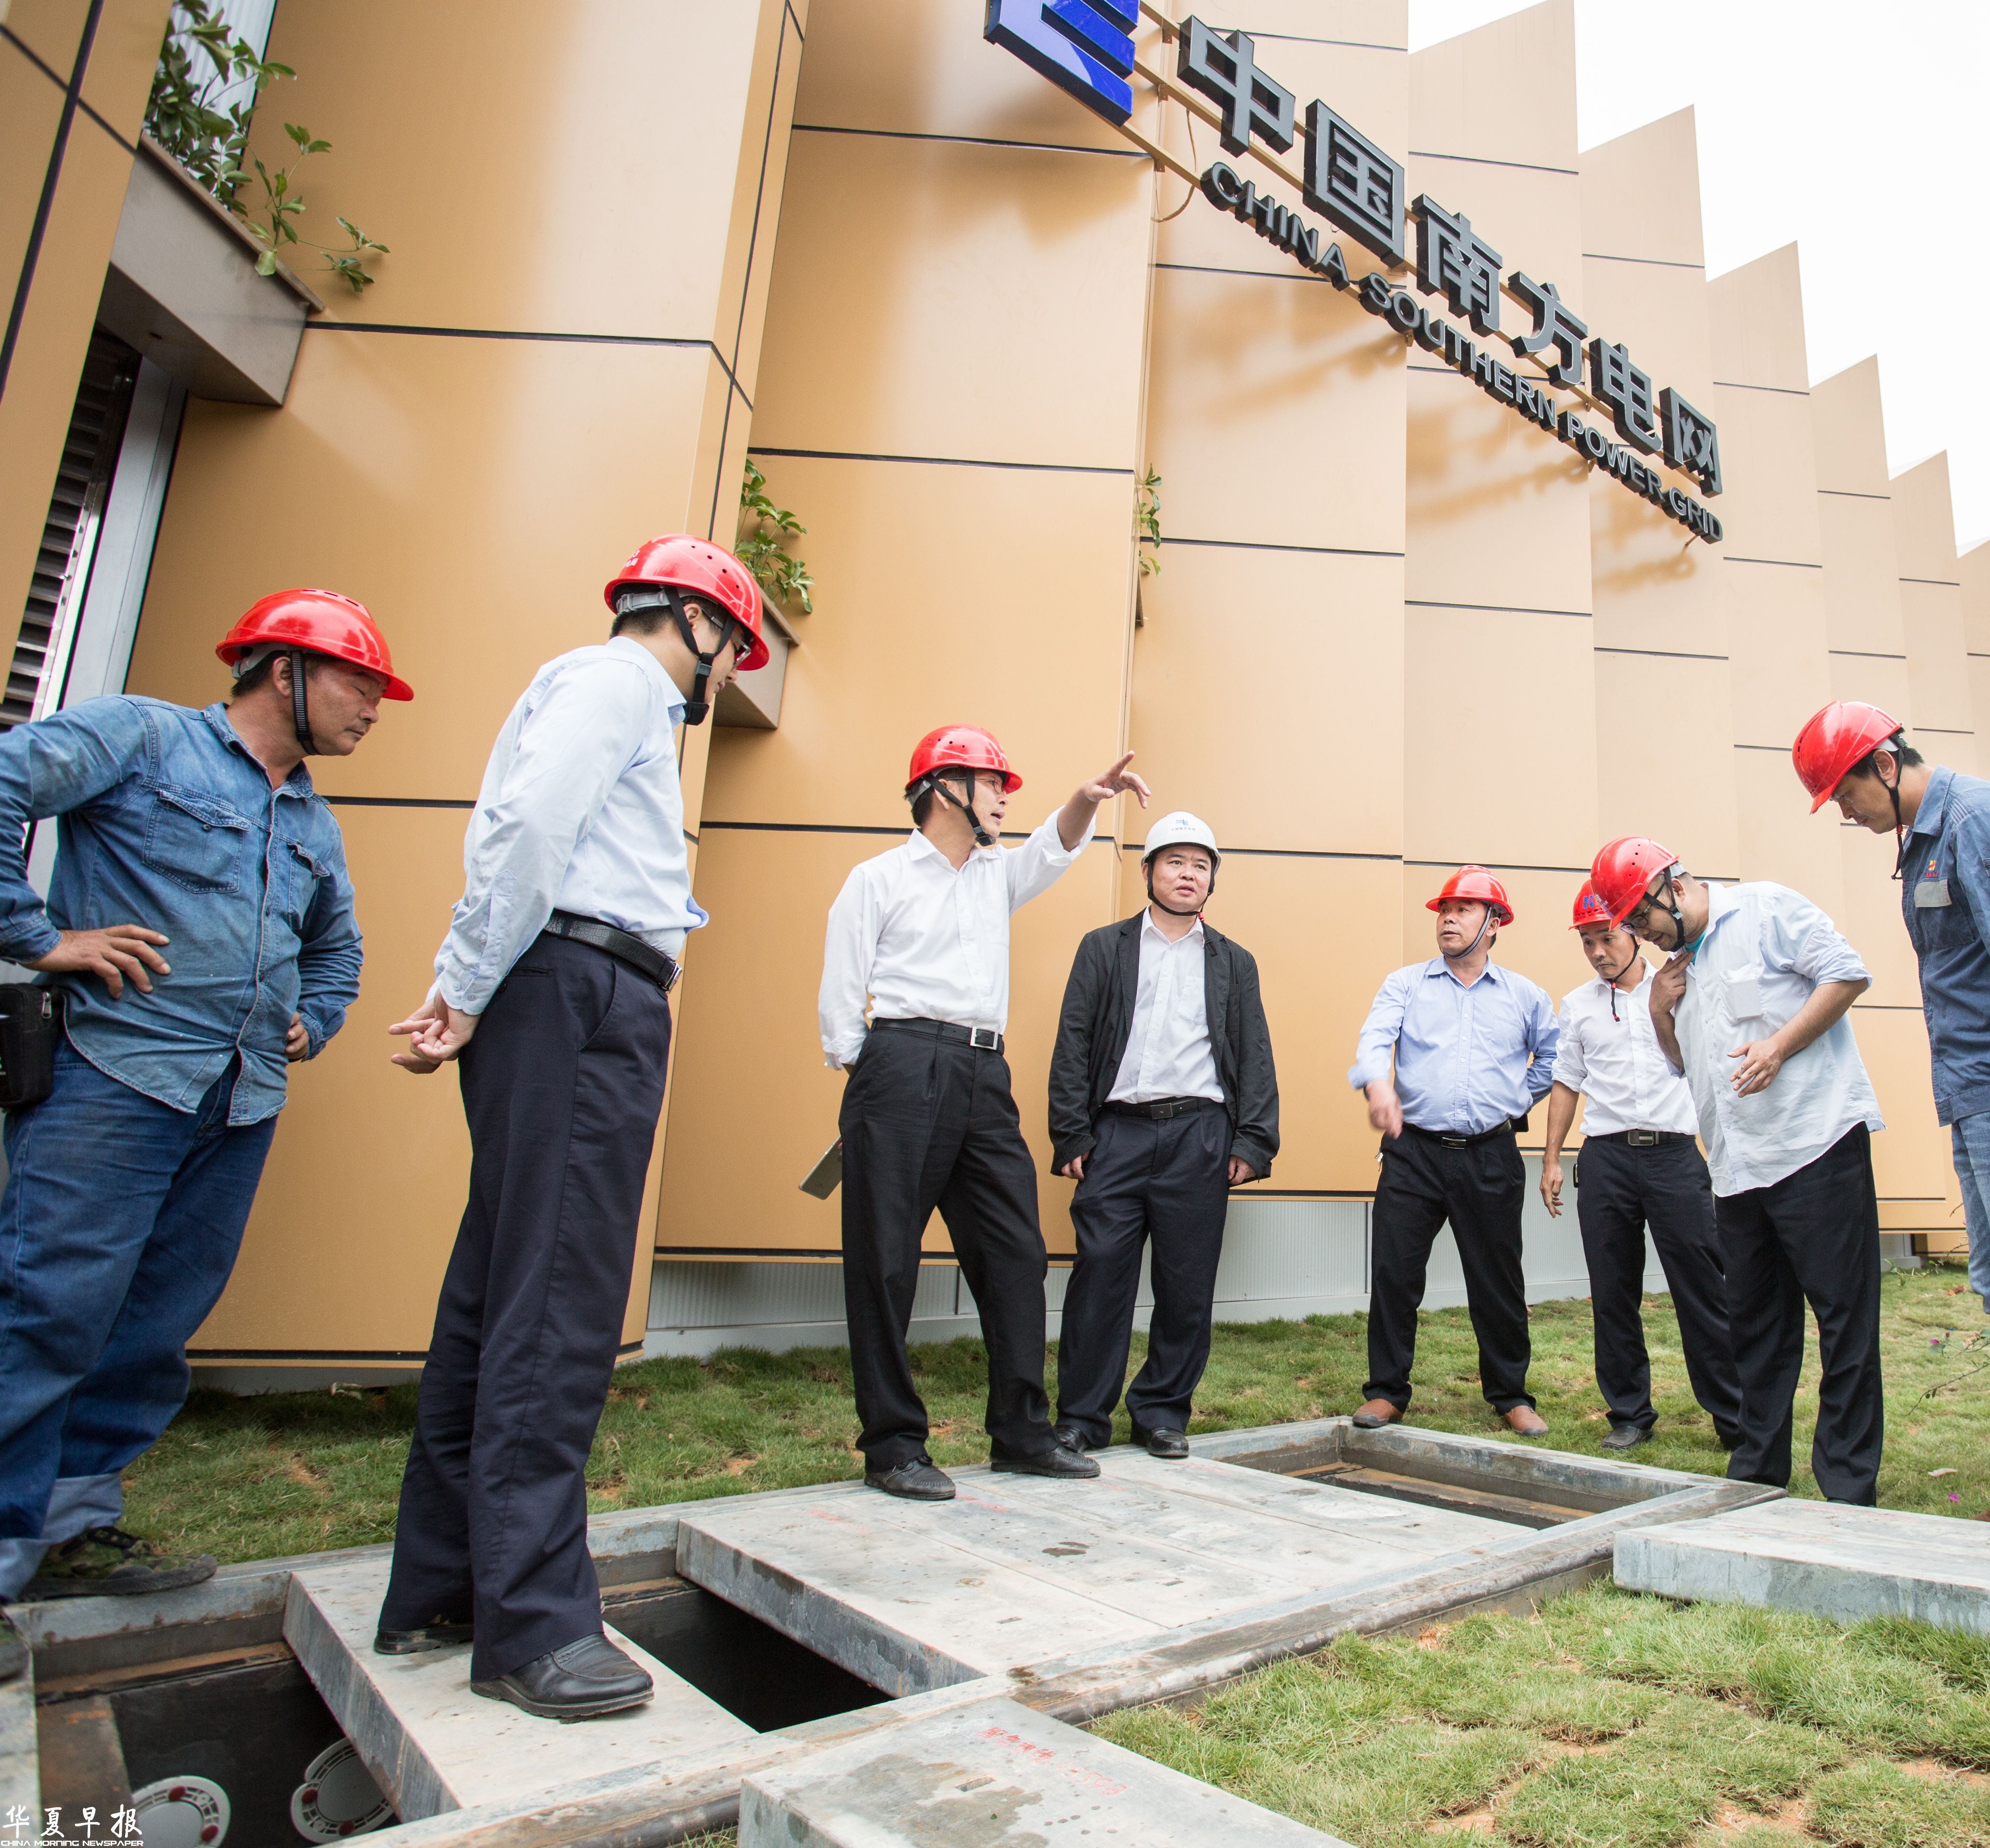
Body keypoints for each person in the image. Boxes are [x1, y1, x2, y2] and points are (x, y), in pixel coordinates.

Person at [377, 534, 764, 1721]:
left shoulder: (601, 689)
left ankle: (447, 1584)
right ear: (699, 623)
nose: (725, 675)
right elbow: (530, 833)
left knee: (499, 1290)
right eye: (731, 650)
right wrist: (464, 986)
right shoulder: (618, 682)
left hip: (560, 985)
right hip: (580, 994)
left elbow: (537, 836)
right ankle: (533, 1626)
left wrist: (471, 985)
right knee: (558, 1300)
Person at [0, 590, 398, 1603]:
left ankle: (71, 1531)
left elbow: (338, 951)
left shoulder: (311, 820)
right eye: (361, 684)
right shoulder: (143, 739)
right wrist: (39, 938)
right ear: (285, 671)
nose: (373, 709)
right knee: (48, 1312)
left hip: (238, 1103)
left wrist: (315, 1018)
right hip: (112, 1080)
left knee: (149, 1328)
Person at [1798, 700, 1990, 1536]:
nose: (1845, 812)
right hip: (1981, 1095)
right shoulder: (1935, 835)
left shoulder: (1979, 821)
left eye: (1845, 794)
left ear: (1884, 764)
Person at [820, 725, 1150, 1501]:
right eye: (993, 782)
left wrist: (1087, 799)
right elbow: (842, 994)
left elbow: (1053, 848)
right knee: (885, 1260)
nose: (1004, 797)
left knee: (1016, 1254)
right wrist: (871, 1071)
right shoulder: (877, 878)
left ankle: (1022, 1433)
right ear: (944, 788)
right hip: (899, 1063)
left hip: (984, 1072)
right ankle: (893, 1446)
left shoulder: (995, 874)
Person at [1587, 835, 1885, 1503]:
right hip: (1737, 1169)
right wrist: (1660, 1011)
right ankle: (1757, 1473)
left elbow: (1847, 974)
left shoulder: (1765, 908)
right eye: (1629, 923)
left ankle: (1847, 1486)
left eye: (1641, 916)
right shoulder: (1675, 971)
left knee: (1844, 1323)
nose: (1640, 933)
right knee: (1755, 1328)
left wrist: (1779, 1046)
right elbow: (1682, 1065)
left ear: (1672, 886)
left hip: (1815, 1147)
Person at [1046, 811, 1278, 1460]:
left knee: (1186, 1285)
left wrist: (1252, 1142)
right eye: (1175, 862)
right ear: (1148, 871)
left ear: (1212, 881)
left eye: (1201, 865)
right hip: (1116, 1134)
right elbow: (1073, 1042)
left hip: (1200, 1136)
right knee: (1099, 1277)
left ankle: (1162, 1413)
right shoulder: (1104, 948)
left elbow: (1254, 1053)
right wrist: (1071, 1133)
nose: (1188, 875)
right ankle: (1082, 1418)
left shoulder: (1234, 962)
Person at [1348, 868, 1558, 1436]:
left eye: (1464, 909)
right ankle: (1386, 1392)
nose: (1447, 918)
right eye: (1445, 908)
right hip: (1412, 1153)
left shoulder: (1525, 996)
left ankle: (1511, 1395)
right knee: (1394, 1274)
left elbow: (1554, 1059)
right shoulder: (1405, 984)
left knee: (1498, 1280)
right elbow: (1374, 1040)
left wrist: (1515, 1100)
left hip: (1492, 1156)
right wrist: (1378, 1086)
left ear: (1494, 924)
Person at [1537, 885, 1742, 1453]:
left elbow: (1708, 1064)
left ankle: (1734, 1415)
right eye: (1587, 943)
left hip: (1675, 1155)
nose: (1598, 952)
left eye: (1606, 938)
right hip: (1605, 1159)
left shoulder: (1677, 985)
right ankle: (1629, 1413)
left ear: (1632, 932)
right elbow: (1566, 1082)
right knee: (1612, 1291)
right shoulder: (1578, 1005)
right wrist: (1552, 1160)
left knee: (1702, 1288)